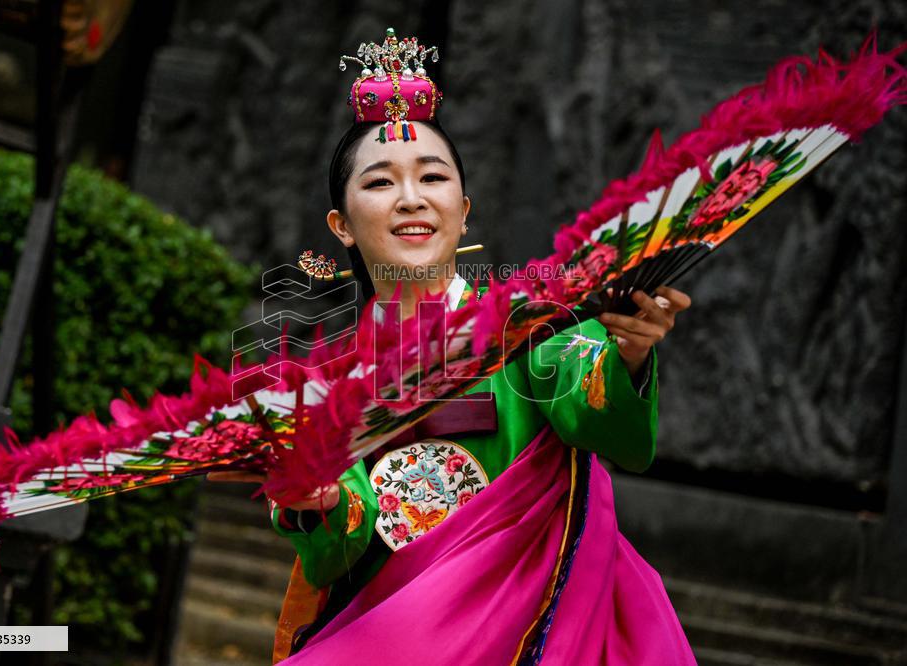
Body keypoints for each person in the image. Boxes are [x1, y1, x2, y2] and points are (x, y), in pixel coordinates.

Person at [211, 28, 696, 665]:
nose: (411, 199)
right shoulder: (328, 386)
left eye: (432, 177)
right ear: (342, 226)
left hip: (534, 617)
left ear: (463, 210)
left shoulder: (531, 324)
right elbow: (335, 554)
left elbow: (597, 411)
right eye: (380, 183)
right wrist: (321, 503)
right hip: (398, 626)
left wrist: (629, 350)